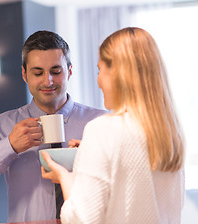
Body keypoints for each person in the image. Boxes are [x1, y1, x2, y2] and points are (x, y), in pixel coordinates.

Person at [0, 30, 106, 222]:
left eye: (56, 72)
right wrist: (9, 146)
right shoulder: (1, 126)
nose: (47, 81)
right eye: (38, 72)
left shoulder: (102, 124)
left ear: (70, 71)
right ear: (24, 74)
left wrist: (95, 160)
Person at [41, 27, 185, 223]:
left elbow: (81, 219)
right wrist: (93, 153)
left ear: (118, 73)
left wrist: (67, 179)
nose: (98, 81)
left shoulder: (103, 130)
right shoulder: (170, 135)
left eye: (100, 70)